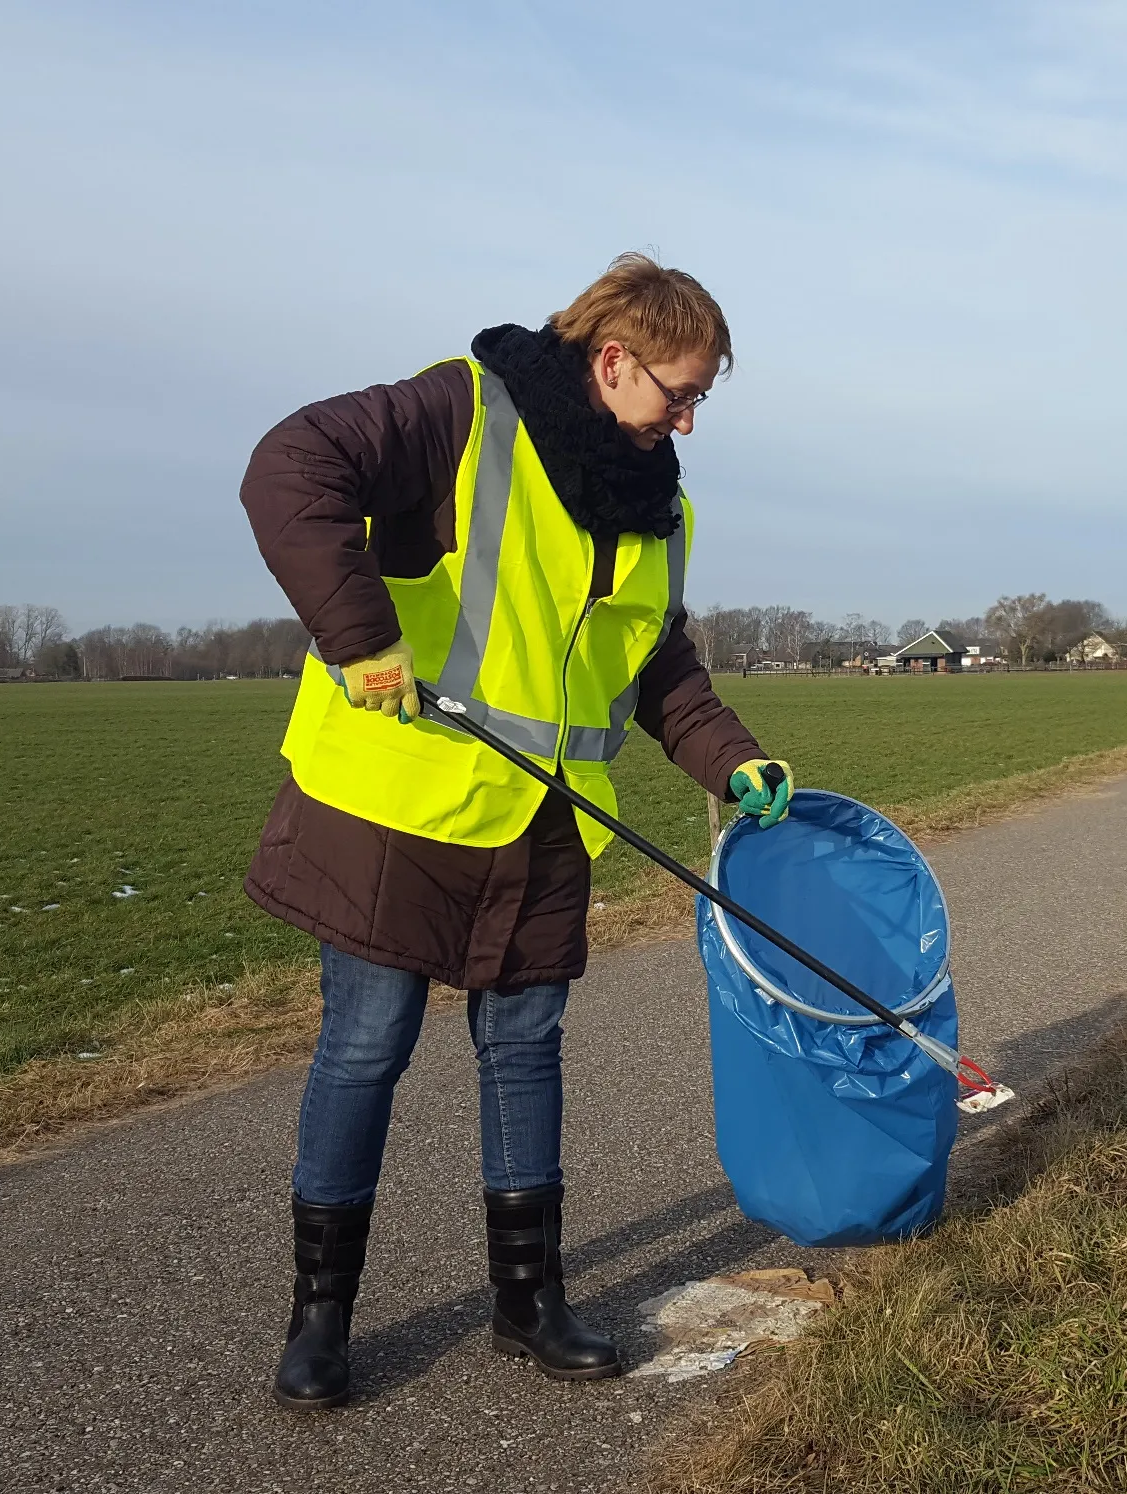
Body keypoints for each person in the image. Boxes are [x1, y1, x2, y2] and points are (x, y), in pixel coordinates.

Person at [237, 254, 795, 1409]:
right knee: (363, 1049)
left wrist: (732, 760)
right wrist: (356, 635)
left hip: (543, 825)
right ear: (611, 360)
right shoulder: (463, 410)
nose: (690, 418)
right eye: (678, 392)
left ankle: (529, 1305)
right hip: (396, 806)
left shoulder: (659, 505)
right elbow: (290, 466)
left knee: (525, 1051)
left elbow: (656, 666)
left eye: (702, 399)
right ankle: (320, 1322)